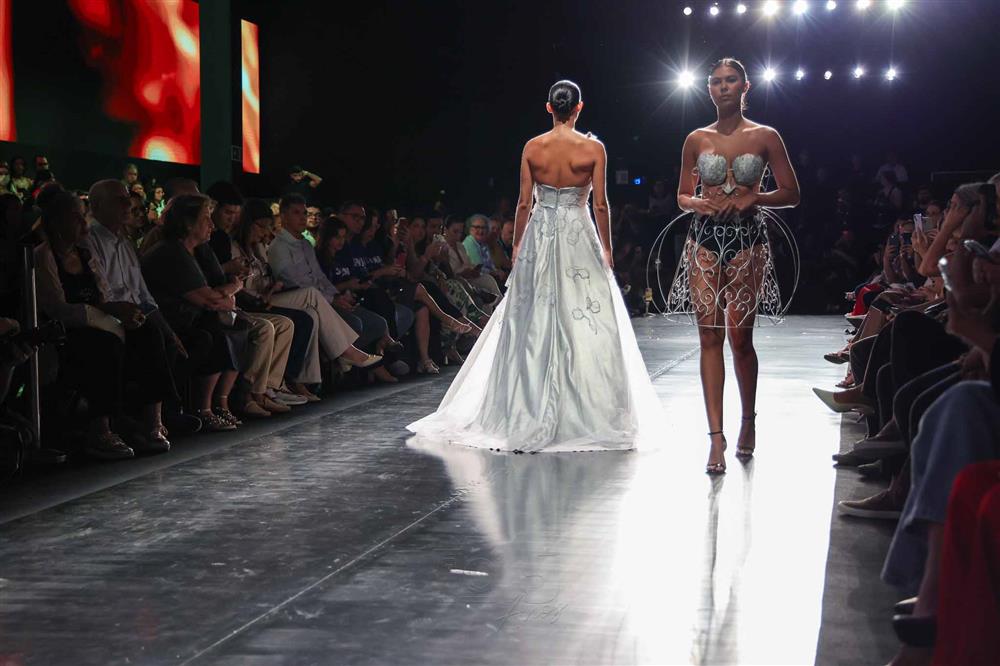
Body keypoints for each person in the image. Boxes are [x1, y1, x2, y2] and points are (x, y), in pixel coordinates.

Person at [407, 80, 664, 453]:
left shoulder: (533, 147)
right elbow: (601, 204)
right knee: (583, 313)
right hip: (578, 233)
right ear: (579, 107)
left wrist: (517, 246)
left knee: (532, 317)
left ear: (549, 107)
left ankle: (524, 402)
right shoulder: (593, 149)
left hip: (540, 235)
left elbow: (524, 204)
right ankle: (587, 407)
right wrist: (607, 248)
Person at [672, 57, 800, 474]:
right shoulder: (696, 138)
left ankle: (748, 420)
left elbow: (792, 192)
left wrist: (754, 197)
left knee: (740, 339)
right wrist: (699, 203)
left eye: (730, 81)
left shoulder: (765, 136)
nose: (723, 87)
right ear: (708, 89)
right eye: (716, 81)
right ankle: (715, 438)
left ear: (745, 87)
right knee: (708, 338)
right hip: (704, 241)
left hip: (748, 241)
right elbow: (682, 195)